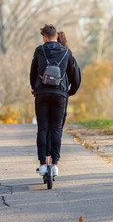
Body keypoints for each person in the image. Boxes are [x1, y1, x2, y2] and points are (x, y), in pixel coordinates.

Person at [30, 24, 81, 176]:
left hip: (42, 94)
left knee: (43, 129)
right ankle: (55, 164)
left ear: (44, 37)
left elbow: (33, 72)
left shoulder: (40, 50)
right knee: (56, 129)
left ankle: (43, 165)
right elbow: (75, 76)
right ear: (56, 36)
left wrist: (35, 88)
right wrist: (70, 92)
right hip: (60, 94)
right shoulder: (66, 52)